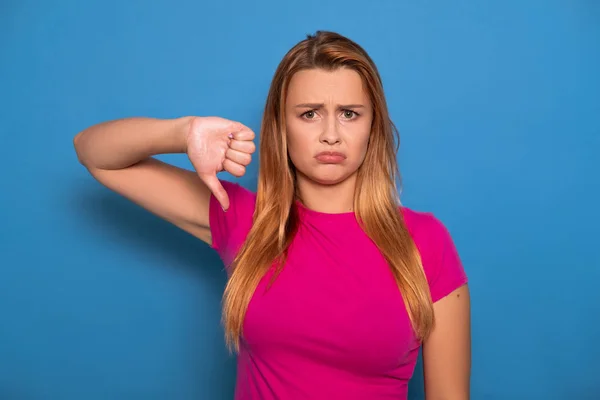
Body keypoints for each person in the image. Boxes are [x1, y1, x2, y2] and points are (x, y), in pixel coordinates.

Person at [73, 30, 470, 400]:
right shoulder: (245, 220)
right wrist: (182, 131)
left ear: (374, 127)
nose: (331, 133)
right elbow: (97, 155)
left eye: (349, 113)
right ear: (281, 126)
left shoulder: (425, 241)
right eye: (309, 113)